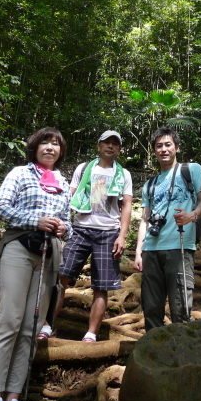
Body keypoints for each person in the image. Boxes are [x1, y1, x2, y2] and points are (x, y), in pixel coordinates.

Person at [0, 128, 71, 401]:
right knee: (10, 321)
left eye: (56, 144)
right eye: (46, 142)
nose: (50, 148)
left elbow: (67, 219)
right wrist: (36, 221)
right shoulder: (20, 173)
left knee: (31, 327)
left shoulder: (63, 182)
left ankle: (13, 399)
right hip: (19, 248)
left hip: (48, 255)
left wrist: (62, 228)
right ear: (35, 147)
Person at [40, 130, 133, 342]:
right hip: (80, 229)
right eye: (106, 143)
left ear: (118, 149)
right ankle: (46, 326)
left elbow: (126, 205)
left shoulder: (124, 175)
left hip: (109, 232)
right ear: (99, 146)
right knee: (61, 277)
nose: (110, 146)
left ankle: (91, 334)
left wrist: (122, 236)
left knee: (101, 286)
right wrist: (59, 219)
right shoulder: (84, 168)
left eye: (114, 144)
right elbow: (69, 195)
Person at [134, 127, 201, 331]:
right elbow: (145, 220)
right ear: (154, 151)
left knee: (180, 306)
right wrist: (139, 251)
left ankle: (182, 355)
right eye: (159, 146)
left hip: (180, 247)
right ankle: (153, 354)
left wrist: (191, 216)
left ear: (177, 147)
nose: (163, 149)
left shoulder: (191, 170)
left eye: (168, 145)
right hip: (151, 250)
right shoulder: (150, 184)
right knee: (151, 308)